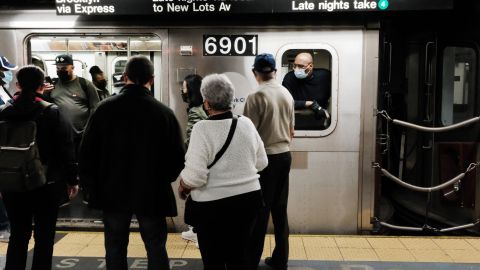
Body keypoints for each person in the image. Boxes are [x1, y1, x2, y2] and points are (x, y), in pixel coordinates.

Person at [79, 56, 185, 270]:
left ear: (125, 77)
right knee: (155, 245)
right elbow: (177, 157)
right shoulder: (164, 113)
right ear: (151, 79)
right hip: (152, 192)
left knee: (115, 245)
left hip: (112, 191)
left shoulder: (103, 109)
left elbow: (86, 152)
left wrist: (92, 185)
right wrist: (163, 178)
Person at [178, 73, 268, 270]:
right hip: (249, 201)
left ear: (207, 103)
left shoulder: (202, 128)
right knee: (240, 257)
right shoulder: (246, 123)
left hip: (212, 207)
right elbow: (262, 162)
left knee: (214, 260)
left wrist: (182, 186)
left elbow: (195, 176)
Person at [0, 65, 78, 270]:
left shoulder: (4, 112)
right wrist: (72, 179)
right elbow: (66, 148)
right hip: (46, 182)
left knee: (18, 233)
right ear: (42, 86)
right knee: (44, 235)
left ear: (17, 84)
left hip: (12, 183)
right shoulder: (51, 111)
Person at [244, 54, 295, 270]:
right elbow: (292, 130)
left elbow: (248, 134)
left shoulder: (255, 95)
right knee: (280, 210)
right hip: (285, 155)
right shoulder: (286, 93)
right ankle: (281, 259)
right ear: (274, 71)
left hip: (265, 159)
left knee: (259, 212)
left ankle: (251, 260)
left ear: (255, 73)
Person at [47, 54, 100, 154]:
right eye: (58, 68)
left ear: (72, 67)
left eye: (64, 68)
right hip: (60, 135)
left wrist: (89, 129)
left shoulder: (85, 84)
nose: (60, 70)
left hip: (81, 135)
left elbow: (95, 108)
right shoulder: (52, 84)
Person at [179, 74, 207, 245]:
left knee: (196, 197)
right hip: (204, 160)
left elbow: (191, 139)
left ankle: (199, 232)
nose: (182, 91)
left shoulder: (195, 111)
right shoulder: (202, 106)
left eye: (184, 87)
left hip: (198, 160)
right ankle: (196, 230)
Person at [281, 52, 331, 129]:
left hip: (321, 123)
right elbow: (285, 103)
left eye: (301, 66)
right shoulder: (289, 78)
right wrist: (310, 104)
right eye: (294, 65)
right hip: (296, 122)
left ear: (310, 66)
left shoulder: (325, 76)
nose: (296, 69)